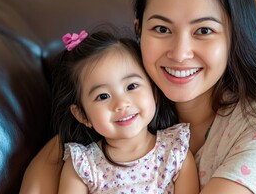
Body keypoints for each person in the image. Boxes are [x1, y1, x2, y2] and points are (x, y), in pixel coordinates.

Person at [20, 0, 256, 193]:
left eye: (204, 30)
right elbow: (52, 159)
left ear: (234, 37)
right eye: (161, 29)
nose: (179, 52)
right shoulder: (135, 103)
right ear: (139, 31)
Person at [51, 29, 199, 193]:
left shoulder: (176, 152)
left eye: (131, 86)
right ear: (82, 115)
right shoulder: (83, 165)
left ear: (154, 92)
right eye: (103, 96)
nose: (121, 103)